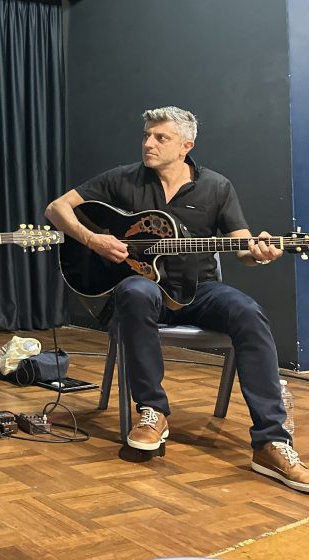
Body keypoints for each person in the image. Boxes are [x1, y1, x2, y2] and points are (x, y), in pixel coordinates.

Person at [45, 105, 309, 492]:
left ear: (186, 145)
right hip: (144, 292)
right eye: (147, 135)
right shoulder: (123, 179)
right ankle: (152, 412)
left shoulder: (216, 187)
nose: (148, 143)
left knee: (249, 312)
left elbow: (241, 247)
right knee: (135, 290)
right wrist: (93, 240)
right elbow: (57, 208)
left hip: (199, 290)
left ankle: (271, 442)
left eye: (160, 137)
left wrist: (259, 251)